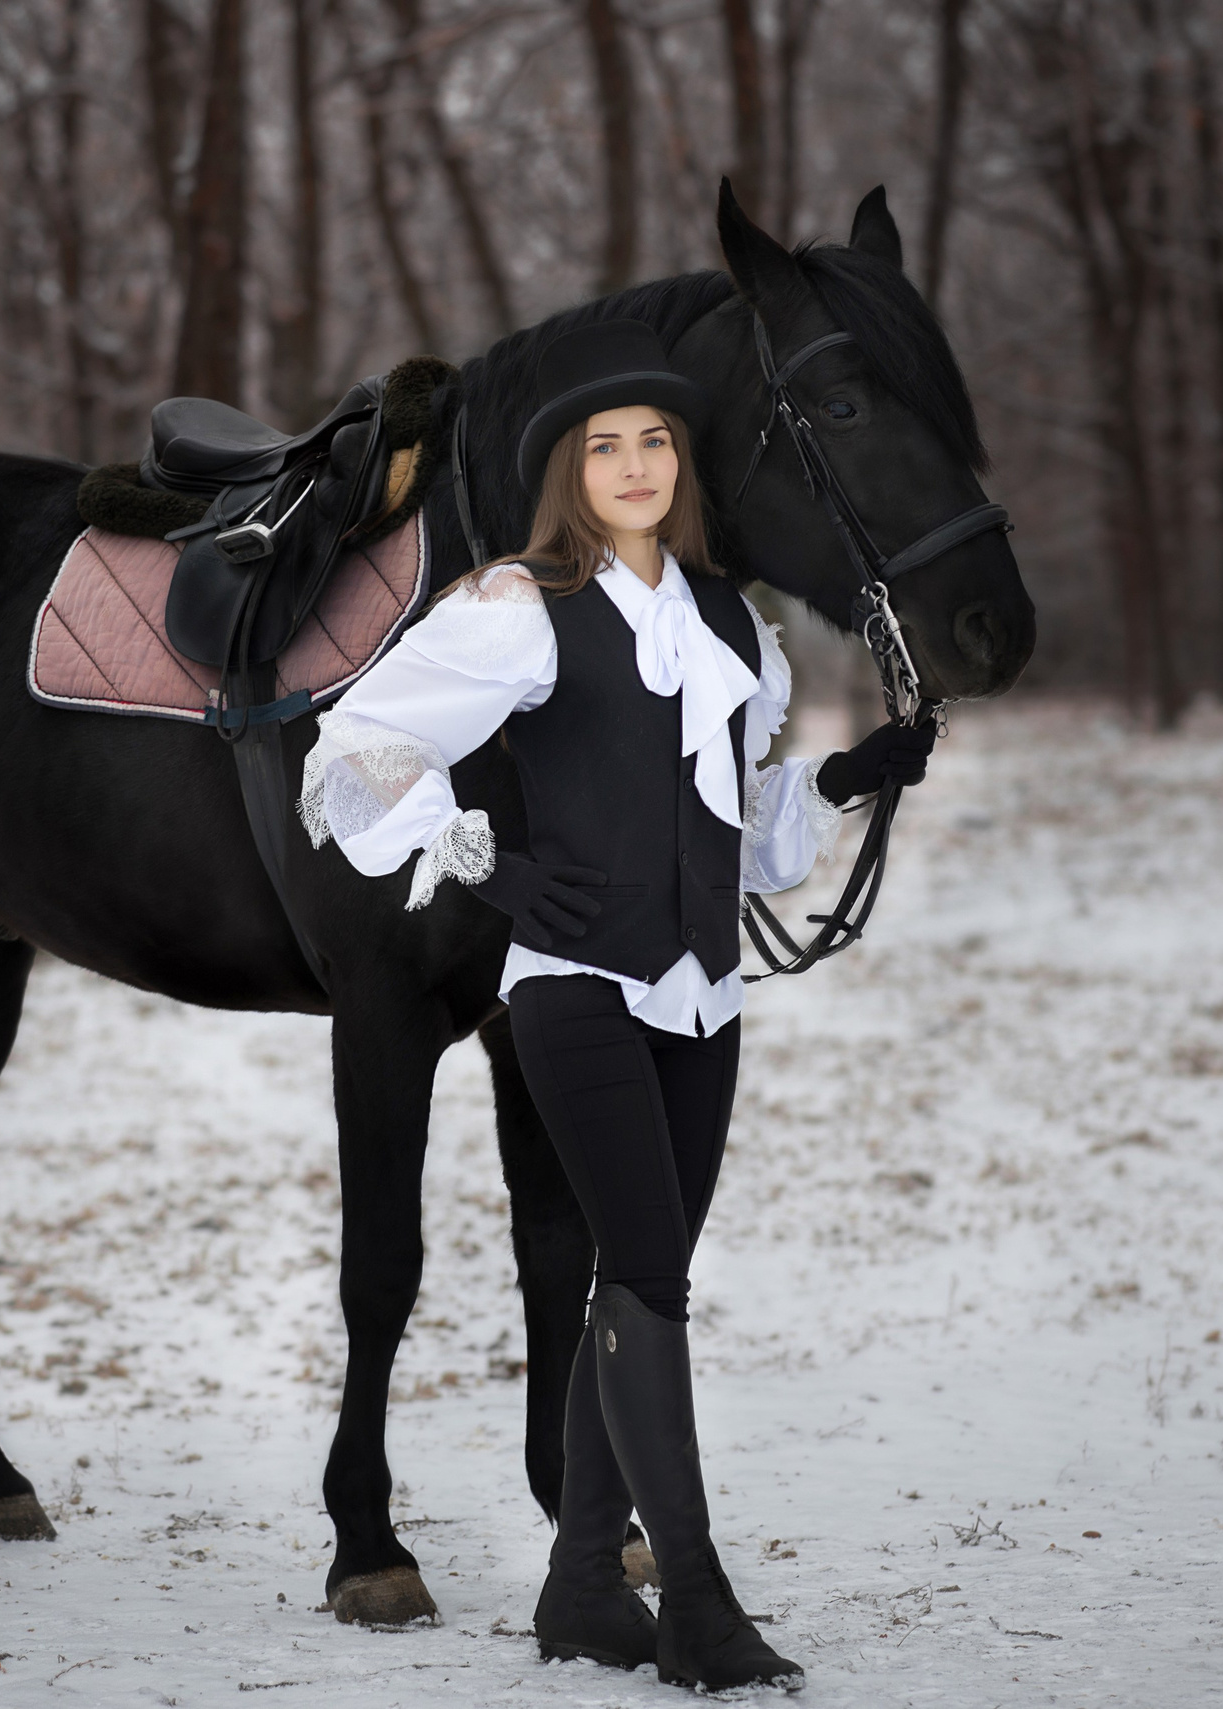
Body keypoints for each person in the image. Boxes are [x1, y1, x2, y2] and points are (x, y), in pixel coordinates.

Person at [297, 319, 933, 1691]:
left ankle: (584, 1583)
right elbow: (353, 747)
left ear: (681, 469)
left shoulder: (732, 628)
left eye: (656, 442)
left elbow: (747, 834)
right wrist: (488, 860)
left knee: (631, 1283)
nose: (636, 463)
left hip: (707, 1003)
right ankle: (695, 1600)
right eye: (606, 446)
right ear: (569, 476)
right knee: (646, 1276)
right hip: (576, 991)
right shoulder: (518, 607)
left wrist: (849, 772)